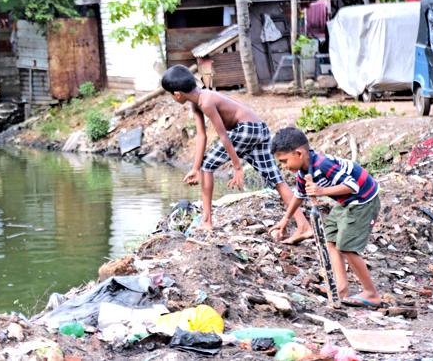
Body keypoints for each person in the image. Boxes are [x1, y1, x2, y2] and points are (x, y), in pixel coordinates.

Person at [161, 65, 312, 241]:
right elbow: (201, 136)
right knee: (276, 179)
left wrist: (237, 166)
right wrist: (195, 168)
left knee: (208, 165)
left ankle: (207, 221)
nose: (172, 98)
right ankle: (304, 226)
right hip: (259, 129)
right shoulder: (197, 103)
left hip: (246, 130)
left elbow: (223, 135)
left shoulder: (206, 101)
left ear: (177, 94)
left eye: (170, 95)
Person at [269, 126, 381, 307]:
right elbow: (299, 195)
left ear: (298, 153)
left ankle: (371, 293)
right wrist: (285, 220)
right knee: (331, 238)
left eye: (284, 161)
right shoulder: (303, 171)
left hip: (363, 200)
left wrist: (322, 191)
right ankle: (341, 287)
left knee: (347, 246)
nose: (284, 167)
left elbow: (353, 186)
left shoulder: (322, 164)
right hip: (346, 203)